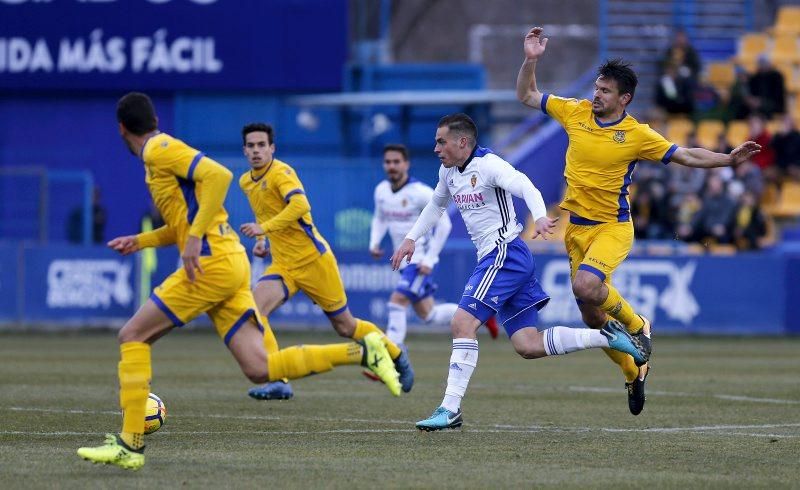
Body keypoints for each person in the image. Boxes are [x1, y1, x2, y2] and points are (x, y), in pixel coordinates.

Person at [76, 94, 401, 471]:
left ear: (121, 129)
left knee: (132, 336)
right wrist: (143, 240)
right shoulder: (156, 160)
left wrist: (195, 239)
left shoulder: (158, 149)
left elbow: (218, 175)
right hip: (228, 263)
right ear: (154, 117)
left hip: (211, 264)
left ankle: (129, 446)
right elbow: (183, 225)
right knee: (261, 369)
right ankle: (365, 352)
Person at [515, 27, 761, 415]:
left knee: (585, 284)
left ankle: (638, 324)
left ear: (624, 98)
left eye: (605, 90)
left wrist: (727, 159)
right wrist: (531, 59)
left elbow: (686, 156)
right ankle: (634, 370)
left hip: (613, 227)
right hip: (576, 229)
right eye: (597, 87)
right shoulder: (575, 112)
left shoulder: (636, 134)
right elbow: (527, 95)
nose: (597, 94)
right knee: (594, 318)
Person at [391, 113, 649, 431]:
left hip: (504, 255)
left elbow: (525, 184)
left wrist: (539, 217)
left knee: (461, 323)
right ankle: (607, 336)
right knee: (527, 345)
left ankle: (449, 408)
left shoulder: (488, 165)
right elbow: (435, 206)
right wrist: (410, 239)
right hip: (505, 258)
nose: (435, 148)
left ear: (462, 142)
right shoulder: (448, 171)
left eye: (441, 141)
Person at [238, 123, 414, 400]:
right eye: (251, 145)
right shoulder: (246, 182)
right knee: (253, 311)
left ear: (272, 148)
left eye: (262, 145)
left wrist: (265, 230)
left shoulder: (282, 173)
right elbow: (263, 214)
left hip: (313, 261)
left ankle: (395, 353)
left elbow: (300, 206)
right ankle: (277, 379)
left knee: (345, 326)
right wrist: (262, 242)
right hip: (283, 265)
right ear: (245, 150)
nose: (256, 150)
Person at [369, 143, 499, 347]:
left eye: (396, 162)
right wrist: (374, 242)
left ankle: (392, 354)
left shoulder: (420, 192)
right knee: (429, 315)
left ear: (406, 164)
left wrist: (430, 258)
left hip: (419, 261)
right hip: (403, 264)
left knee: (397, 302)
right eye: (387, 162)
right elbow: (379, 218)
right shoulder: (381, 191)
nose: (391, 166)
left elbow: (444, 223)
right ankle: (480, 314)